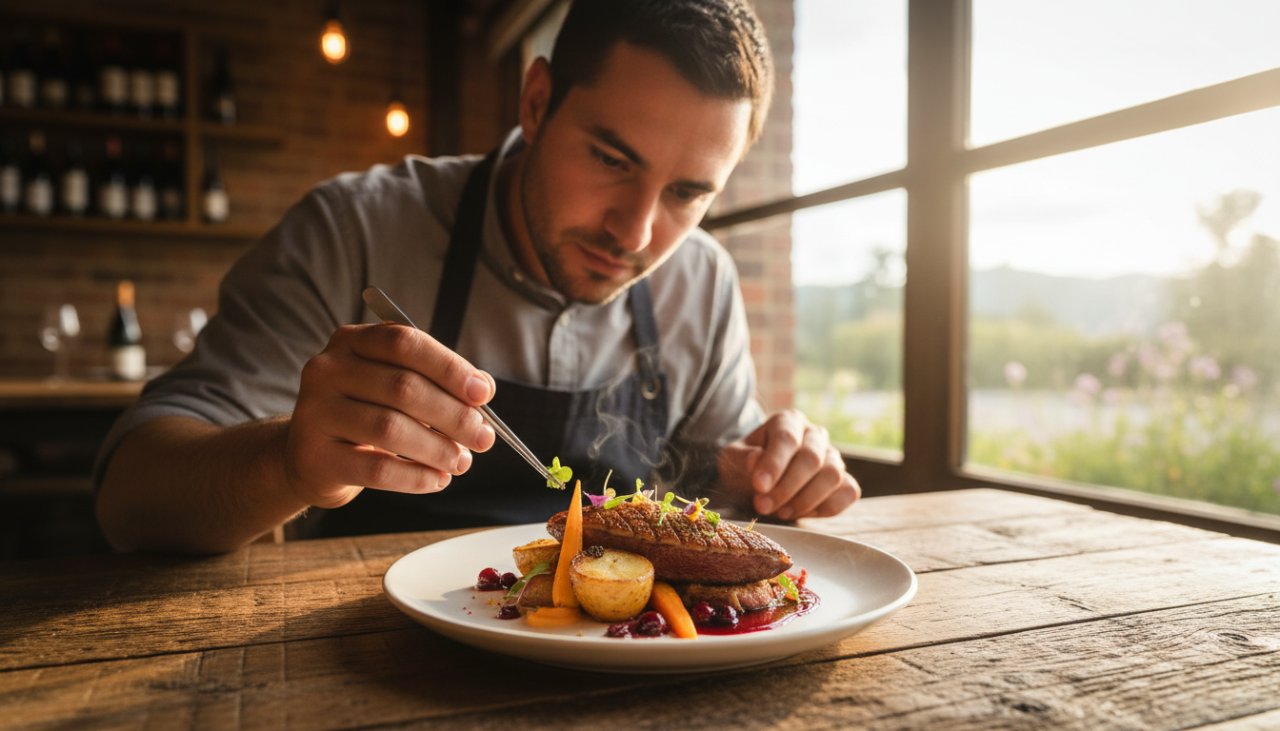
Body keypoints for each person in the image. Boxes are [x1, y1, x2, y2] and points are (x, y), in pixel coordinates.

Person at [95, 0, 860, 554]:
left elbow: (708, 495)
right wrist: (289, 459)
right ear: (535, 103)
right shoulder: (353, 229)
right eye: (610, 158)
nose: (635, 232)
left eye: (688, 193)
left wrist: (772, 477)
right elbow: (130, 496)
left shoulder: (703, 282)